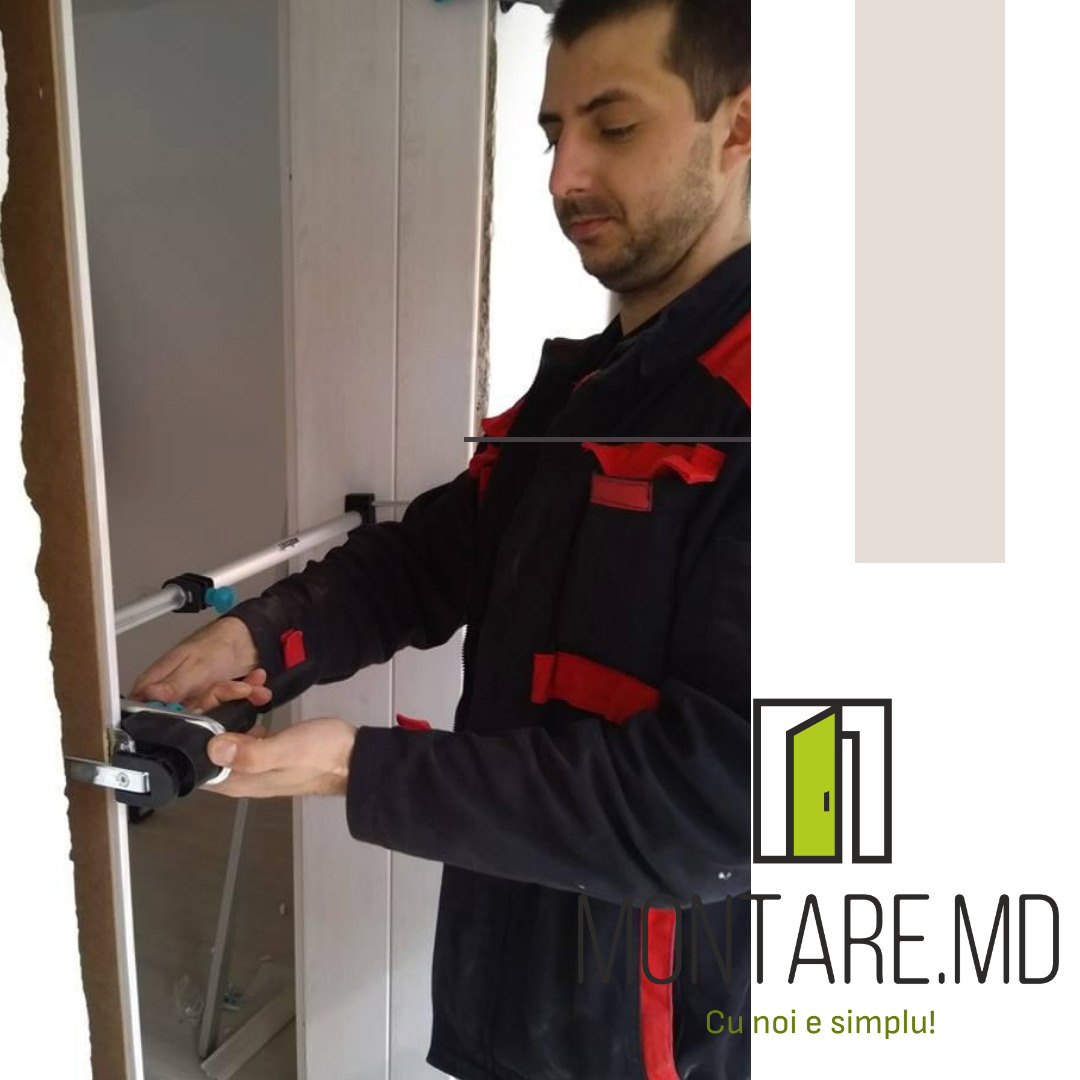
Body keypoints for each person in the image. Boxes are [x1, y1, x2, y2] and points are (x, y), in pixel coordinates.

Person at [132, 2, 751, 1077]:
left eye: (614, 126)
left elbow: (725, 807)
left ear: (737, 127)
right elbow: (432, 560)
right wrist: (259, 639)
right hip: (502, 978)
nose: (565, 177)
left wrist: (359, 768)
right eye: (554, 133)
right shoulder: (589, 392)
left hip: (654, 1035)